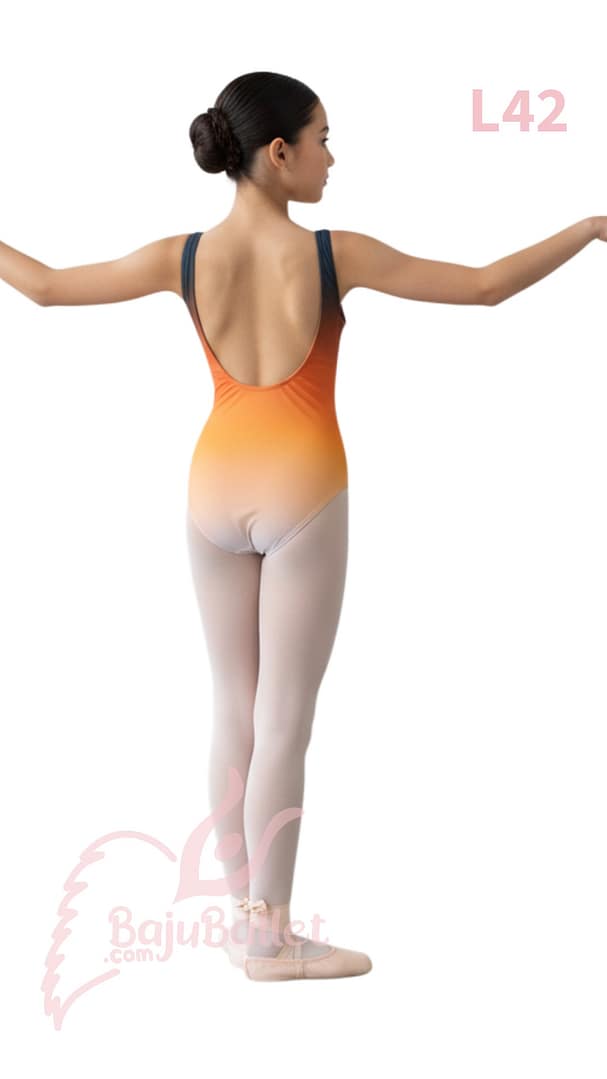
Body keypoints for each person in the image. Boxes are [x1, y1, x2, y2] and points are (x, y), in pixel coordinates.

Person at [1, 70, 605, 983]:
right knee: (283, 718)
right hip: (304, 490)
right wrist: (589, 227)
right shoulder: (332, 254)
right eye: (323, 140)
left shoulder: (180, 257)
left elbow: (45, 287)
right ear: (277, 153)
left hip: (210, 489)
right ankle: (270, 940)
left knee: (232, 706)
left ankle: (244, 919)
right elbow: (484, 287)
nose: (332, 158)